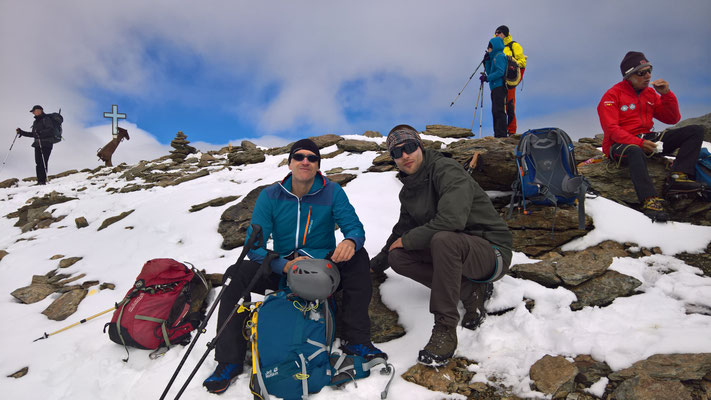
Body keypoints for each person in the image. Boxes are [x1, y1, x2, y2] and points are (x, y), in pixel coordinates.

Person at [203, 139, 386, 394]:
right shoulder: (271, 195)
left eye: (312, 158)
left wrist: (350, 241)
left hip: (323, 266)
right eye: (299, 156)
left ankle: (357, 341)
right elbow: (253, 246)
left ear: (318, 166)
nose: (305, 161)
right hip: (284, 267)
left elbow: (354, 227)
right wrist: (284, 266)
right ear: (290, 162)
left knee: (358, 257)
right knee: (238, 273)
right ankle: (229, 361)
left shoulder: (332, 192)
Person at [370, 125, 513, 367]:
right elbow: (401, 230)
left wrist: (408, 240)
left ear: (421, 147)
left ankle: (445, 328)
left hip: (491, 253)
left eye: (410, 147)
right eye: (397, 152)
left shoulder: (446, 170)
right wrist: (377, 265)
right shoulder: (409, 191)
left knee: (443, 238)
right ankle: (470, 290)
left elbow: (452, 220)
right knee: (398, 256)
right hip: (455, 252)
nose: (405, 155)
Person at [597, 51, 704, 222]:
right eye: (641, 72)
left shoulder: (650, 93)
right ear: (629, 75)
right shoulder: (612, 96)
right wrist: (639, 143)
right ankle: (649, 200)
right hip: (619, 144)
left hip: (646, 137)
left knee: (695, 131)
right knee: (634, 151)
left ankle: (678, 177)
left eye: (649, 70)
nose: (647, 76)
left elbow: (672, 118)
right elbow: (612, 130)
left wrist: (667, 94)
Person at [495, 25, 527, 135]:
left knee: (510, 105)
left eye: (498, 33)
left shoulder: (514, 46)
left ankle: (512, 131)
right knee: (499, 106)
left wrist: (512, 63)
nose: (496, 35)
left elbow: (522, 61)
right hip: (499, 80)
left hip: (510, 80)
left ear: (504, 33)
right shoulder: (496, 47)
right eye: (496, 33)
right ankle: (501, 131)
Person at [16, 105, 55, 185]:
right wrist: (22, 132)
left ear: (41, 110)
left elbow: (50, 130)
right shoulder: (35, 122)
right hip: (37, 144)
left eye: (37, 110)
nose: (35, 112)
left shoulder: (46, 119)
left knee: (43, 162)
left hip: (46, 143)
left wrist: (40, 133)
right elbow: (34, 134)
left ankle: (42, 181)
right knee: (38, 163)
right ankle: (39, 180)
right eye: (34, 111)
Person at [480, 37, 508, 138]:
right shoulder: (494, 57)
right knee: (495, 111)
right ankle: (498, 133)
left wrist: (487, 78)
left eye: (489, 47)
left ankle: (501, 134)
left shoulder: (500, 56)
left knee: (499, 110)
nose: (488, 50)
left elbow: (500, 72)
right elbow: (490, 72)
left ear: (494, 47)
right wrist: (487, 62)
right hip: (494, 87)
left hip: (499, 86)